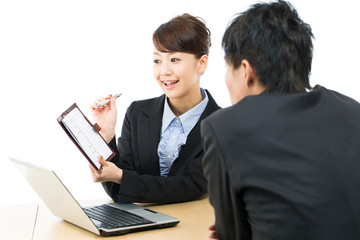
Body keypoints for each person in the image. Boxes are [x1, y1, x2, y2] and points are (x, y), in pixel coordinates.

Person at [201, 1, 360, 239]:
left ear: (246, 70)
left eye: (227, 67)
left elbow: (231, 233)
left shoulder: (224, 127)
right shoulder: (351, 109)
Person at [89, 13, 220, 204]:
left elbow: (189, 186)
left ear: (202, 63)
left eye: (174, 60)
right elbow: (120, 190)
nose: (164, 71)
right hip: (141, 229)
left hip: (193, 228)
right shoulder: (137, 113)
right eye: (157, 60)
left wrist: (122, 177)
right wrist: (107, 138)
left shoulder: (222, 125)